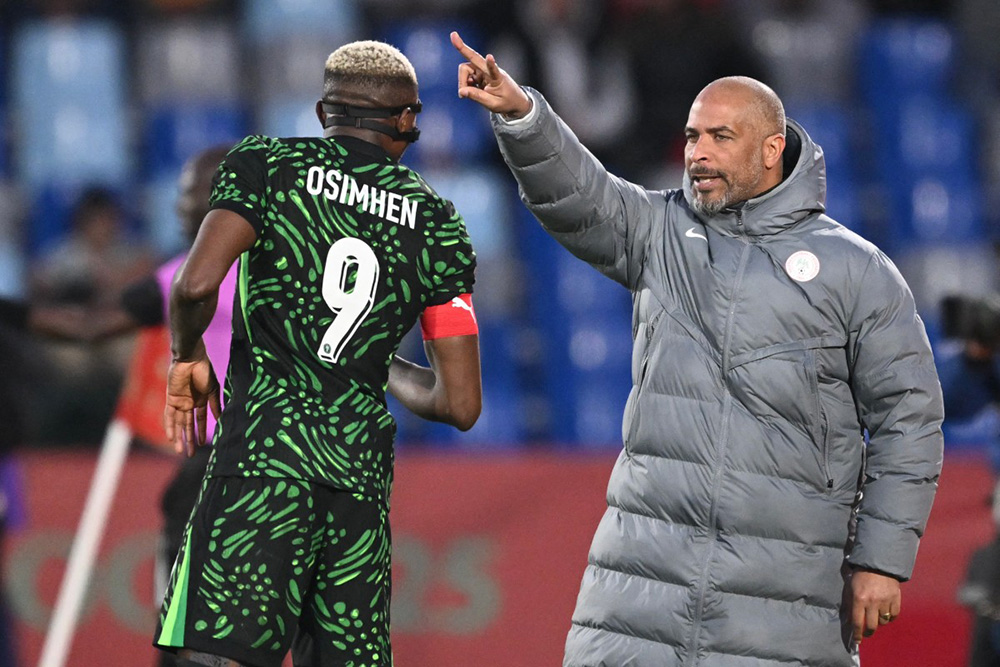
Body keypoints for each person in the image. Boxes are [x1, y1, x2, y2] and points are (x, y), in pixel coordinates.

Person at [452, 30, 944, 667]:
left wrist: (881, 560)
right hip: (637, 602)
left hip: (783, 612)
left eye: (720, 137)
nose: (698, 154)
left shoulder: (857, 272)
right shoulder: (660, 232)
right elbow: (580, 197)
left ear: (772, 149)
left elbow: (911, 420)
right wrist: (524, 118)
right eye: (692, 137)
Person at [153, 40, 481, 667]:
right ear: (408, 122)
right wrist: (370, 359)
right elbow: (459, 403)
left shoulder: (266, 165)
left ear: (322, 112)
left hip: (261, 466)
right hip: (356, 489)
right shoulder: (438, 224)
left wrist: (187, 353)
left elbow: (195, 285)